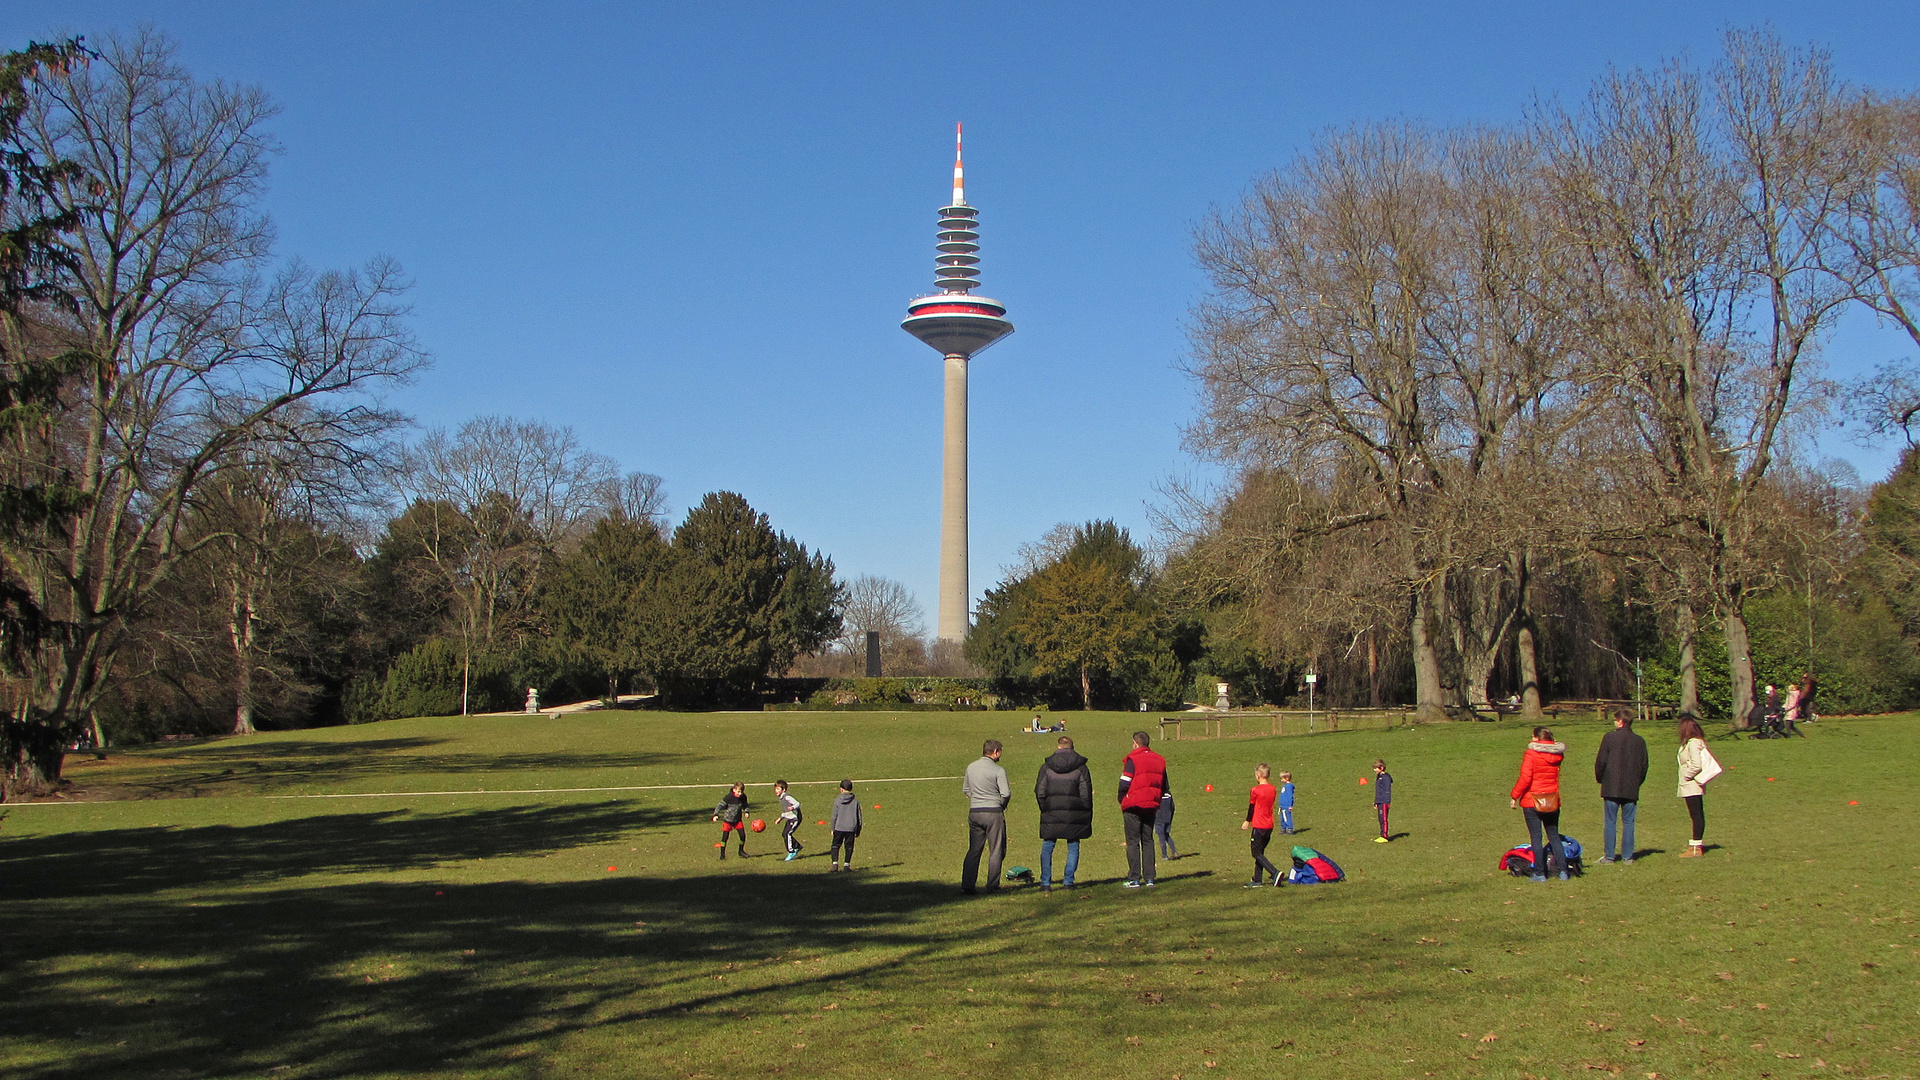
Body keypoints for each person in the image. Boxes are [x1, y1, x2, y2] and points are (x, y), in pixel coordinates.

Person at [1034, 735, 1093, 891]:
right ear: (1072, 747)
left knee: (1047, 846)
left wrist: (1045, 807)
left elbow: (1040, 791)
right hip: (1074, 813)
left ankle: (1045, 882)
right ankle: (1068, 881)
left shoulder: (1046, 767)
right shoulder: (1081, 768)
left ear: (1058, 747)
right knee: (1073, 846)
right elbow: (1085, 794)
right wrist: (1084, 811)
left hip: (1051, 811)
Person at [1509, 727, 1568, 881]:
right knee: (1554, 835)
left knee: (1536, 837)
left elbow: (1525, 778)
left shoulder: (1531, 754)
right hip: (1552, 799)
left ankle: (1540, 873)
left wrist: (1515, 795)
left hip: (1532, 800)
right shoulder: (1557, 754)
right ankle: (1563, 871)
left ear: (1536, 738)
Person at [1593, 708, 1649, 864]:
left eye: (1616, 720)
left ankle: (1609, 856)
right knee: (1629, 822)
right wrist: (1637, 781)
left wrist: (1601, 778)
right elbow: (1644, 765)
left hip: (1611, 786)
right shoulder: (1639, 741)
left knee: (1610, 822)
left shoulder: (1609, 738)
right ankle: (1627, 856)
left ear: (1621, 721)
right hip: (1631, 787)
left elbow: (1601, 762)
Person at [1118, 731, 1170, 888]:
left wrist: (1122, 798)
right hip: (1151, 804)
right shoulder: (1160, 759)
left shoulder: (1132, 759)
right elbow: (1165, 785)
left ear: (1135, 743)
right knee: (1148, 839)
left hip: (1133, 804)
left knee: (1133, 841)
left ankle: (1134, 877)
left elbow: (1124, 782)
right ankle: (1150, 878)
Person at [962, 739, 1011, 894]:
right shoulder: (998, 770)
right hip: (993, 813)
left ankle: (968, 886)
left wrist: (977, 798)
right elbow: (1006, 793)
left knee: (974, 850)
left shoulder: (971, 767)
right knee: (996, 850)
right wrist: (1001, 804)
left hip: (975, 812)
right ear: (995, 751)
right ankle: (992, 885)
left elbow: (966, 789)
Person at [1241, 763, 1284, 888]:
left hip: (1259, 825)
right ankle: (1257, 880)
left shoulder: (1255, 790)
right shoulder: (1273, 789)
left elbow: (1252, 807)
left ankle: (1275, 872)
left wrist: (1247, 821)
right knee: (1260, 852)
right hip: (1269, 824)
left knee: (1256, 853)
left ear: (1258, 775)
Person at [1676, 714, 1712, 858]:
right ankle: (1695, 843)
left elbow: (1697, 764)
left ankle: (1696, 846)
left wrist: (1686, 775)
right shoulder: (1692, 742)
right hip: (1691, 783)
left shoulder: (1693, 743)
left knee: (1696, 814)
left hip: (1692, 784)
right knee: (1695, 814)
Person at [712, 781, 751, 859]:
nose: (740, 794)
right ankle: (722, 855)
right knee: (725, 837)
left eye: (741, 792)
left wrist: (746, 811)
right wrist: (716, 815)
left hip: (737, 820)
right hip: (728, 821)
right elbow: (720, 806)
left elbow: (745, 805)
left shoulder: (743, 797)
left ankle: (741, 851)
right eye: (738, 792)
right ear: (734, 790)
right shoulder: (728, 798)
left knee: (742, 836)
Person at [829, 779, 862, 871]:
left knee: (835, 845)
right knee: (849, 846)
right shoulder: (855, 801)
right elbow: (859, 817)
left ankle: (834, 864)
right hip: (851, 828)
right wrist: (858, 829)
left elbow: (834, 816)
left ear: (841, 789)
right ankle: (847, 865)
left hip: (839, 827)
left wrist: (833, 828)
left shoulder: (837, 800)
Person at [774, 780, 803, 862]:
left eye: (778, 789)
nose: (776, 791)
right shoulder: (781, 798)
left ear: (783, 790)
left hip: (795, 818)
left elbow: (797, 803)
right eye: (775, 789)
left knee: (787, 833)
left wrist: (793, 808)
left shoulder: (786, 797)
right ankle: (797, 846)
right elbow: (785, 812)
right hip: (790, 818)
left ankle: (791, 851)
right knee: (784, 833)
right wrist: (780, 818)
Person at [1371, 759, 1393, 843]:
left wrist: (1387, 801)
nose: (1374, 770)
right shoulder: (1379, 777)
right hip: (1380, 801)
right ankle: (1382, 834)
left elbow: (1387, 791)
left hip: (1384, 801)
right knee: (1380, 819)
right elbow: (1378, 791)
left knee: (1384, 819)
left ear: (1382, 768)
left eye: (1376, 768)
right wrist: (1376, 802)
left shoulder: (1386, 778)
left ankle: (1384, 836)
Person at [1154, 789, 1179, 860]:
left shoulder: (1156, 793)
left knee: (1161, 836)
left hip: (1159, 818)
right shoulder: (1169, 794)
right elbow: (1173, 807)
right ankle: (1174, 851)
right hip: (1168, 817)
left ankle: (1164, 855)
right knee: (1166, 835)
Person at [1277, 770, 1296, 834]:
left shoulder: (1289, 786)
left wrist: (1290, 805)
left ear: (1287, 778)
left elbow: (1290, 796)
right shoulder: (1285, 786)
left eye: (1282, 778)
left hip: (1286, 805)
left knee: (1287, 817)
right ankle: (1283, 828)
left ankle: (1290, 829)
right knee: (1282, 818)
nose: (1281, 780)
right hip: (1282, 805)